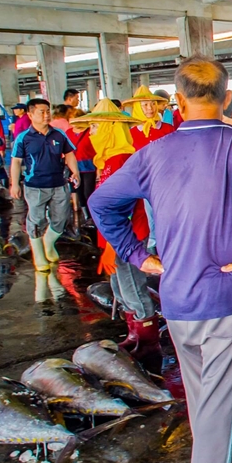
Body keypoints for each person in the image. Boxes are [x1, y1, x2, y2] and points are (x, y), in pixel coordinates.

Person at [90, 56, 232, 463]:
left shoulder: (154, 152)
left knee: (203, 393)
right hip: (227, 292)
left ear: (177, 100)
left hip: (176, 294)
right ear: (228, 97)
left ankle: (229, 461)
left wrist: (138, 255)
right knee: (225, 391)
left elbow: (102, 202)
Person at [74, 100, 164, 367]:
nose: (91, 132)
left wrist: (112, 248)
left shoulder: (120, 160)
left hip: (128, 239)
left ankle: (147, 343)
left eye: (95, 126)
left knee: (132, 288)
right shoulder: (110, 158)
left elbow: (123, 211)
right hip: (118, 240)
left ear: (111, 129)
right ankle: (135, 334)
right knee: (120, 288)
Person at [9, 98, 78, 273]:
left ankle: (48, 242)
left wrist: (74, 171)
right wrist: (14, 184)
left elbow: (69, 154)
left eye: (48, 111)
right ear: (31, 115)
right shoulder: (23, 138)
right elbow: (16, 162)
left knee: (62, 218)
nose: (46, 115)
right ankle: (38, 255)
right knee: (36, 219)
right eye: (42, 112)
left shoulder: (59, 135)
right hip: (35, 185)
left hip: (59, 184)